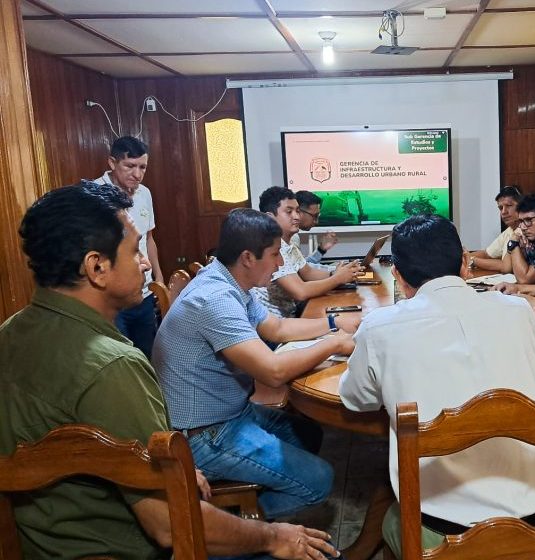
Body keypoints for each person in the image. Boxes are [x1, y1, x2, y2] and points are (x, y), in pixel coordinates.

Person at [1, 182, 339, 559]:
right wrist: (272, 536)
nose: (146, 263)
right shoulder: (112, 365)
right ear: (97, 267)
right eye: (134, 252)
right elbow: (167, 523)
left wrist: (168, 468)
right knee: (314, 533)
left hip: (40, 536)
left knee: (303, 434)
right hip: (119, 546)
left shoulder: (11, 331)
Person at [338, 214, 535, 557]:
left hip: (439, 536)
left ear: (398, 276)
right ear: (464, 262)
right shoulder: (518, 311)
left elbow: (356, 400)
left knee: (391, 519)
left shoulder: (379, 327)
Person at [153, 207, 360, 521]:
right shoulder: (215, 299)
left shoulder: (231, 282)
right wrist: (333, 343)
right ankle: (235, 528)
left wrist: (334, 322)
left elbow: (276, 328)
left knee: (307, 434)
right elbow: (272, 372)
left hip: (231, 413)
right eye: (275, 255)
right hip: (204, 434)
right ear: (248, 257)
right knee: (320, 480)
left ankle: (256, 489)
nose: (280, 264)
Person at [93, 135, 162, 358]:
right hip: (114, 295)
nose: (137, 174)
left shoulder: (145, 193)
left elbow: (149, 239)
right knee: (121, 357)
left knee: (148, 357)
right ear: (112, 163)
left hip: (144, 291)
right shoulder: (93, 195)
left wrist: (158, 279)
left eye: (142, 167)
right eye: (130, 166)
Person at [252, 187, 362, 318]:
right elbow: (300, 291)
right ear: (270, 217)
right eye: (289, 212)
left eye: (297, 211)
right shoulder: (271, 247)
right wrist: (338, 278)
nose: (297, 217)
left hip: (293, 314)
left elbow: (308, 273)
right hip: (278, 324)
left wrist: (336, 273)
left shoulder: (288, 245)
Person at [467, 185, 522, 272]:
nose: (503, 212)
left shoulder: (526, 231)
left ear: (521, 207)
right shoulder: (509, 230)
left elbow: (506, 267)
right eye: (500, 208)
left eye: (508, 205)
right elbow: (486, 254)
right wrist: (463, 257)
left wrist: (473, 260)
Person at [293, 190, 337, 268]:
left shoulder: (294, 235)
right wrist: (335, 270)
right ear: (298, 211)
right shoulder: (290, 237)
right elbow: (303, 271)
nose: (316, 222)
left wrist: (321, 250)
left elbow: (302, 266)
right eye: (315, 216)